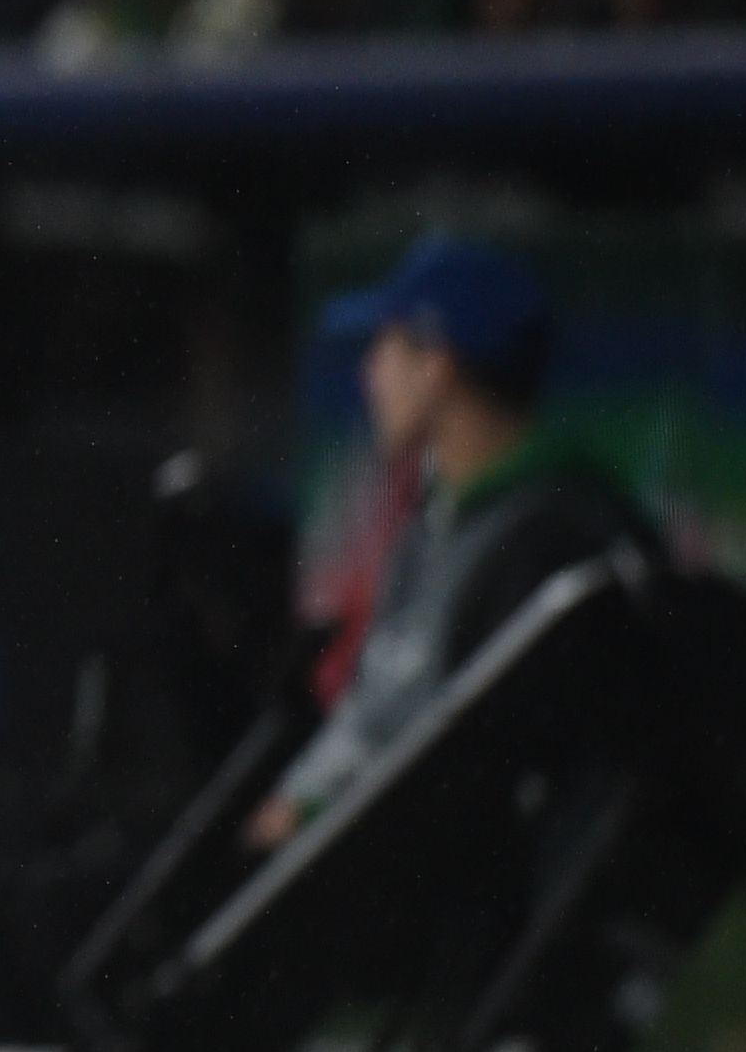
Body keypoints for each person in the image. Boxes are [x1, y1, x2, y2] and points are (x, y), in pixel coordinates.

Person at [253, 233, 658, 843]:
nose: (369, 373)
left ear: (436, 364)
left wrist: (312, 818)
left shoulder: (557, 537)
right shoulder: (436, 523)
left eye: (384, 347)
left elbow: (477, 780)